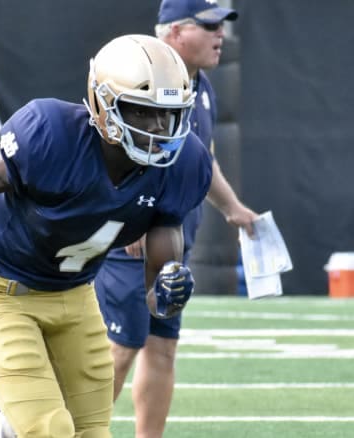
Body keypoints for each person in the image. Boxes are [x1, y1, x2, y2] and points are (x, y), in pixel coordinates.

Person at [0, 34, 212, 437]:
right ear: (103, 104)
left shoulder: (182, 164)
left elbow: (156, 298)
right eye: (142, 112)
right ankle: (5, 427)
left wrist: (171, 292)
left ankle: (6, 429)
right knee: (50, 430)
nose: (158, 128)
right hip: (3, 292)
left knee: (92, 432)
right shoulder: (53, 138)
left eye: (169, 114)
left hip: (75, 295)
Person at [93, 1, 260, 437]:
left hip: (172, 239)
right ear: (173, 32)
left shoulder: (200, 85)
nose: (220, 34)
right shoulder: (140, 78)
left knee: (162, 345)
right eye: (209, 25)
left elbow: (199, 158)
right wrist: (132, 217)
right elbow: (111, 150)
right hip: (132, 239)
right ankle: (75, 430)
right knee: (120, 346)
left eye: (221, 24)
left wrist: (231, 207)